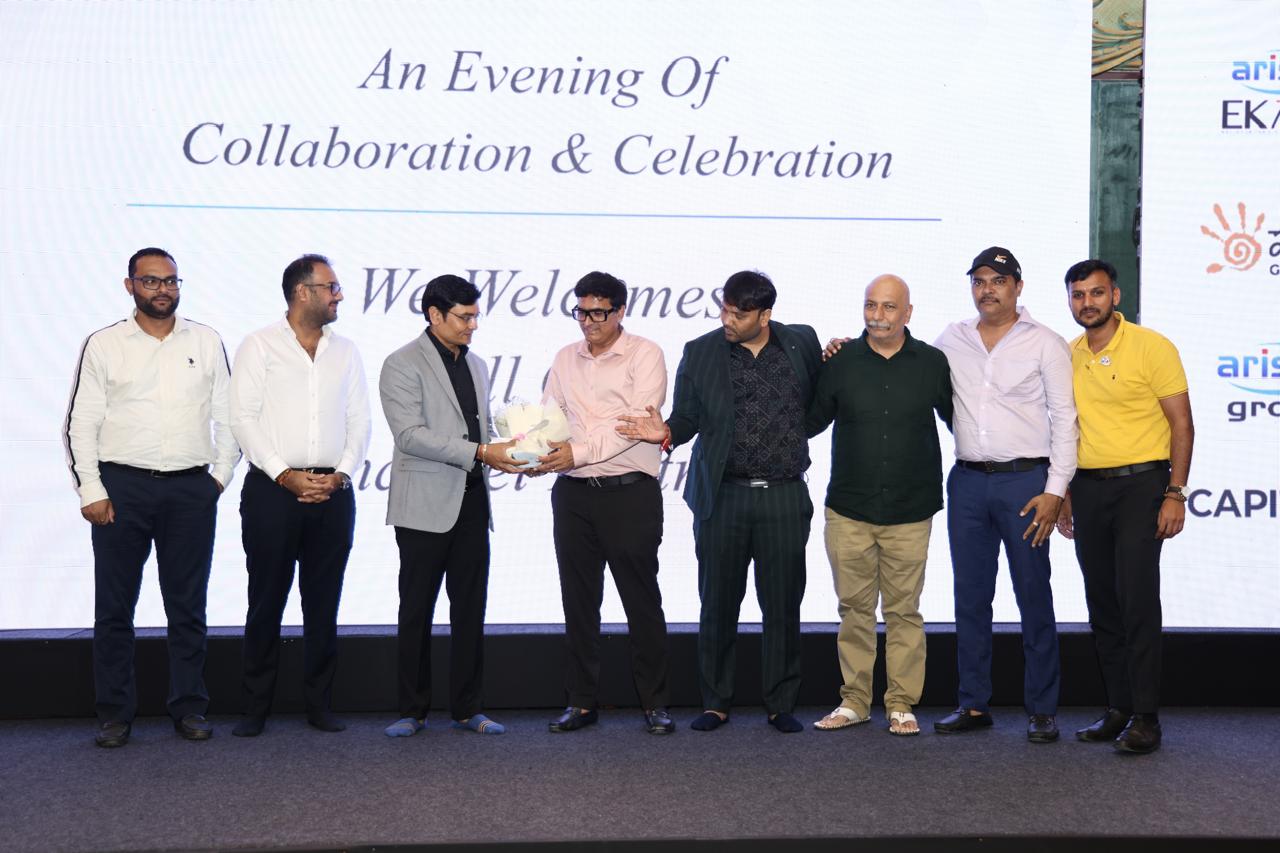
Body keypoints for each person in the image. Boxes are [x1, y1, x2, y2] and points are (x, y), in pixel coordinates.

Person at [618, 270, 821, 733]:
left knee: (783, 603)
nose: (727, 320)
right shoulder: (701, 351)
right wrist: (666, 432)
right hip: (723, 495)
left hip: (784, 494)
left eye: (739, 314)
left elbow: (818, 401)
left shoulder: (802, 342)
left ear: (765, 315)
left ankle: (780, 703)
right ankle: (716, 702)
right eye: (724, 309)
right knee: (717, 602)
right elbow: (687, 416)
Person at [64, 247, 240, 747]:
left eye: (171, 281)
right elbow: (80, 423)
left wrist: (218, 478)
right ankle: (114, 714)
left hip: (190, 489)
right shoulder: (104, 344)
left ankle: (189, 707)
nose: (163, 290)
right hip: (122, 489)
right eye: (151, 281)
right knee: (114, 609)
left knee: (188, 607)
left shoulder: (205, 340)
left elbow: (228, 417)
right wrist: (91, 489)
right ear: (130, 286)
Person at [931, 247, 1078, 743]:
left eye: (997, 280)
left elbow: (1066, 421)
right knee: (970, 596)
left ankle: (1042, 709)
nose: (987, 289)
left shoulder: (1045, 343)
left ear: (1018, 286)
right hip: (968, 482)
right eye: (979, 280)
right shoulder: (951, 338)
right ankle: (973, 703)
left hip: (1026, 484)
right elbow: (910, 368)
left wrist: (1055, 490)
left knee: (1033, 594)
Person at [228, 254, 371, 737]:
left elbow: (360, 421)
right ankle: (255, 708)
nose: (339, 295)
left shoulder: (346, 351)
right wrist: (284, 474)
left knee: (324, 604)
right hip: (273, 492)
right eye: (331, 287)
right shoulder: (259, 345)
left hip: (333, 492)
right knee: (265, 601)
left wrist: (342, 474)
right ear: (302, 292)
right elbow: (242, 419)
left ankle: (319, 705)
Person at [805, 275, 952, 737]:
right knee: (854, 610)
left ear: (908, 313)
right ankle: (854, 701)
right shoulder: (841, 361)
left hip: (911, 510)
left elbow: (963, 423)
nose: (877, 315)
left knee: (904, 612)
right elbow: (810, 422)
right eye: (871, 305)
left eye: (889, 307)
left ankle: (901, 702)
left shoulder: (932, 362)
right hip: (849, 509)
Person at [1057, 259, 1193, 754]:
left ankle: (1146, 717)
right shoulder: (1068, 353)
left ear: (1115, 296)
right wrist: (1064, 492)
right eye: (1078, 295)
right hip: (1088, 489)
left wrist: (1175, 493)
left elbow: (1182, 425)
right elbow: (1066, 430)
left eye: (1096, 293)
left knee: (1137, 601)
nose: (1087, 303)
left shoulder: (1152, 346)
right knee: (1103, 602)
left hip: (1143, 486)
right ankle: (1118, 708)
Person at [378, 274, 523, 738]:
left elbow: (480, 433)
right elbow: (410, 436)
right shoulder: (401, 363)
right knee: (416, 610)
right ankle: (412, 710)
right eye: (464, 317)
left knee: (470, 610)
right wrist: (481, 452)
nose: (472, 325)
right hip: (423, 506)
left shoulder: (476, 364)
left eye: (476, 316)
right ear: (434, 314)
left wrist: (517, 452)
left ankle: (468, 708)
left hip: (473, 502)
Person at [532, 271, 675, 735]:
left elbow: (632, 426)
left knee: (641, 600)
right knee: (578, 601)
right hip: (573, 494)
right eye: (581, 311)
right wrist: (534, 454)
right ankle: (581, 702)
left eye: (599, 313)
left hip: (629, 493)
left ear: (620, 310)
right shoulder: (564, 358)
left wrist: (574, 451)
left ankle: (655, 702)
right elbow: (550, 417)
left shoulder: (645, 355)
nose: (588, 321)